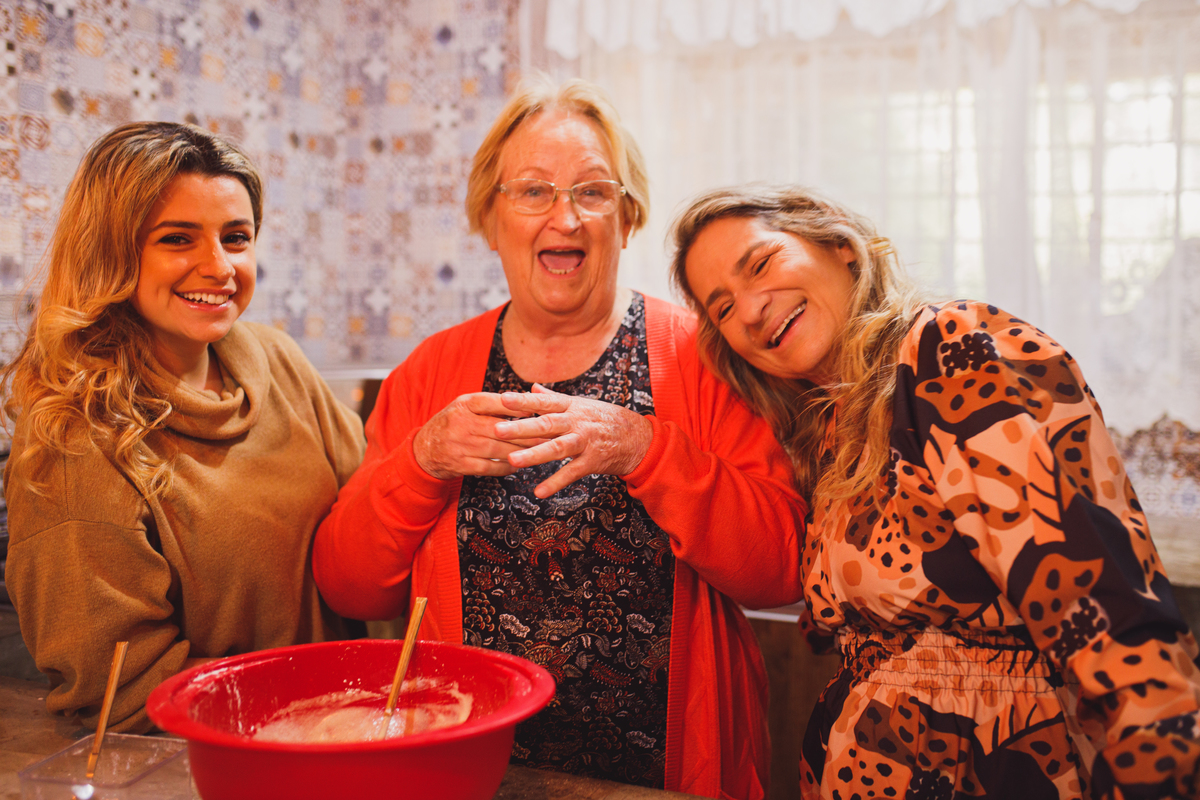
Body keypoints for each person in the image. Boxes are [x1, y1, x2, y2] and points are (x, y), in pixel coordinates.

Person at [312, 78, 806, 798]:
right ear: (490, 217)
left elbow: (784, 567)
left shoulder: (704, 357)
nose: (564, 218)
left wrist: (647, 449)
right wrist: (423, 461)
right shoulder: (432, 372)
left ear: (628, 217)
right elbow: (349, 583)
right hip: (473, 772)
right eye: (534, 192)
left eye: (593, 192)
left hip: (667, 779)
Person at [670, 183, 1200, 799]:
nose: (751, 309)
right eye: (723, 308)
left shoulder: (954, 348)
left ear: (839, 244)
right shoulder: (835, 431)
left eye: (760, 264)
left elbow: (1104, 609)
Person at [1, 122, 366, 733]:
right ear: (111, 253)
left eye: (237, 237)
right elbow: (119, 690)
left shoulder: (275, 358)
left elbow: (367, 512)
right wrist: (313, 708)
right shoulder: (75, 437)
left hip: (338, 730)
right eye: (177, 239)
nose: (219, 266)